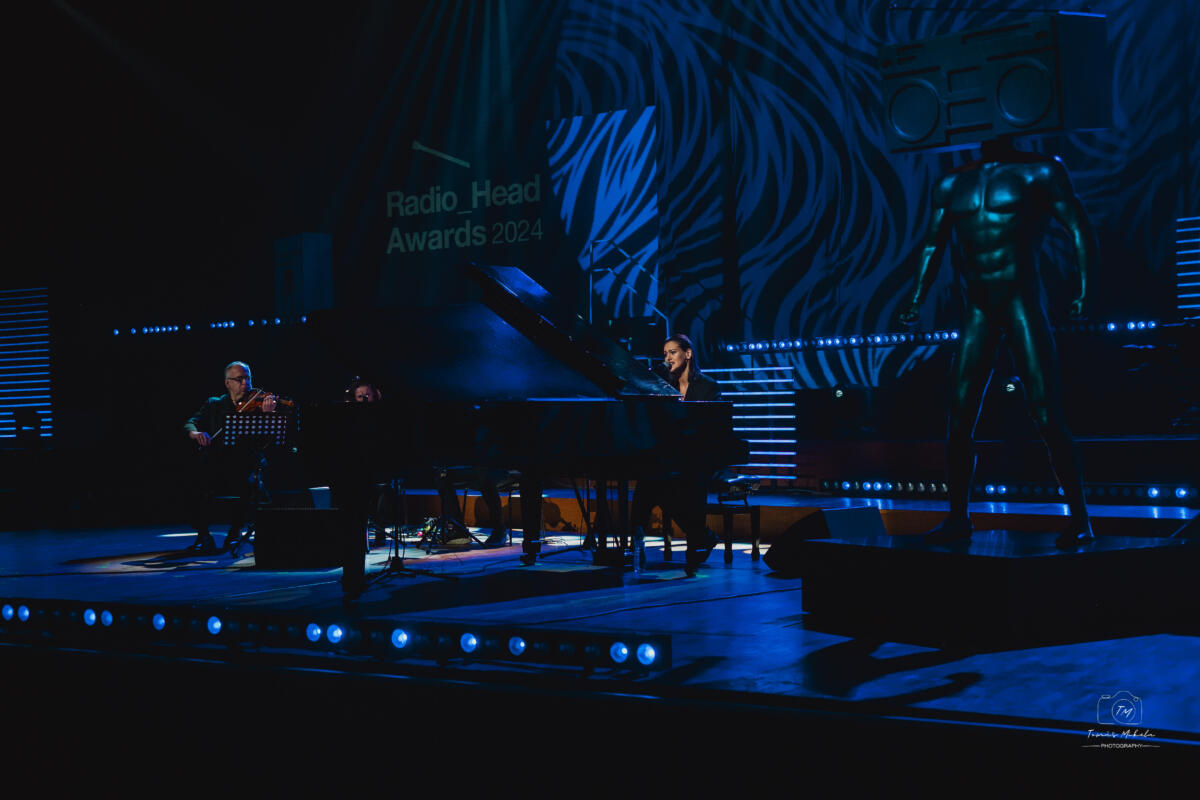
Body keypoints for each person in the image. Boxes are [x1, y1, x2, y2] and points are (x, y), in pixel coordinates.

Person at [899, 135, 1097, 548]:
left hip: (1021, 302)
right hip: (978, 309)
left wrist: (1085, 287)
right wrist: (916, 296)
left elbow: (1078, 226)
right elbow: (933, 242)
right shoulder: (952, 182)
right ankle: (958, 517)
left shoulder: (1040, 170)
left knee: (1047, 416)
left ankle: (1081, 519)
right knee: (958, 420)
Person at [633, 334, 723, 575]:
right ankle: (640, 537)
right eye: (665, 353)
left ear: (688, 353)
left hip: (698, 458)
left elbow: (711, 428)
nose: (668, 358)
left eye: (673, 352)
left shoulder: (708, 386)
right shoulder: (662, 386)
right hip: (671, 456)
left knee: (666, 485)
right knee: (649, 482)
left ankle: (698, 539)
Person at [183, 361, 278, 553]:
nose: (245, 383)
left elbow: (266, 443)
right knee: (194, 483)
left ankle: (235, 532)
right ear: (228, 383)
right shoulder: (215, 404)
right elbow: (191, 422)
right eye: (239, 379)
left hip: (244, 465)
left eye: (248, 378)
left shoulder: (258, 406)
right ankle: (204, 535)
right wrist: (195, 433)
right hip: (216, 464)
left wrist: (268, 416)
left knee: (252, 483)